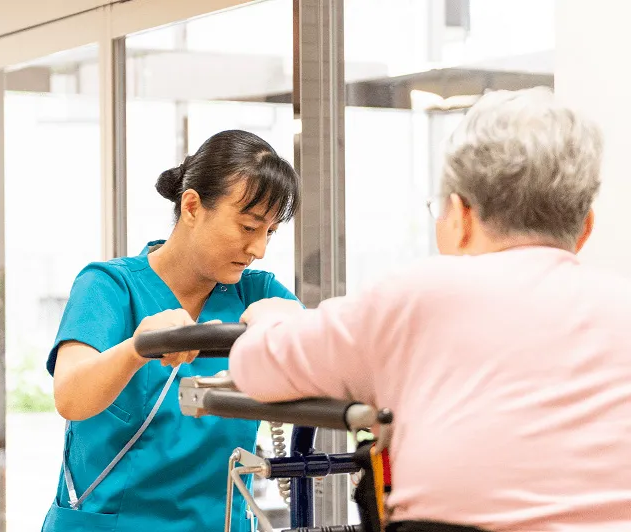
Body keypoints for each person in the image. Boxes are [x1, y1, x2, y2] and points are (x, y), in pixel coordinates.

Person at [228, 87, 631, 532]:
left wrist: (271, 317)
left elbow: (255, 367)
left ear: (459, 216)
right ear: (585, 227)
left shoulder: (416, 297)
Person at [41, 129, 300, 532]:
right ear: (193, 206)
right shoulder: (110, 286)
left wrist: (291, 321)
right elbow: (71, 397)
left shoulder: (258, 292)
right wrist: (137, 348)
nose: (259, 249)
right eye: (249, 227)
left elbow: (326, 364)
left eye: (270, 232)